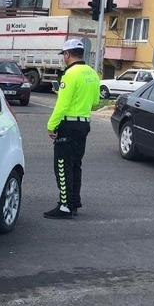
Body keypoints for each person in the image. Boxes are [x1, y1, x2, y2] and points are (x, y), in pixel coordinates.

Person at [44, 38, 100, 219]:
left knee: (62, 165)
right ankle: (74, 201)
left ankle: (65, 206)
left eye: (64, 55)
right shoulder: (92, 73)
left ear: (67, 55)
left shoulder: (70, 75)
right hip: (84, 124)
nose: (63, 58)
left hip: (68, 125)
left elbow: (62, 104)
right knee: (76, 165)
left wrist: (51, 125)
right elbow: (96, 102)